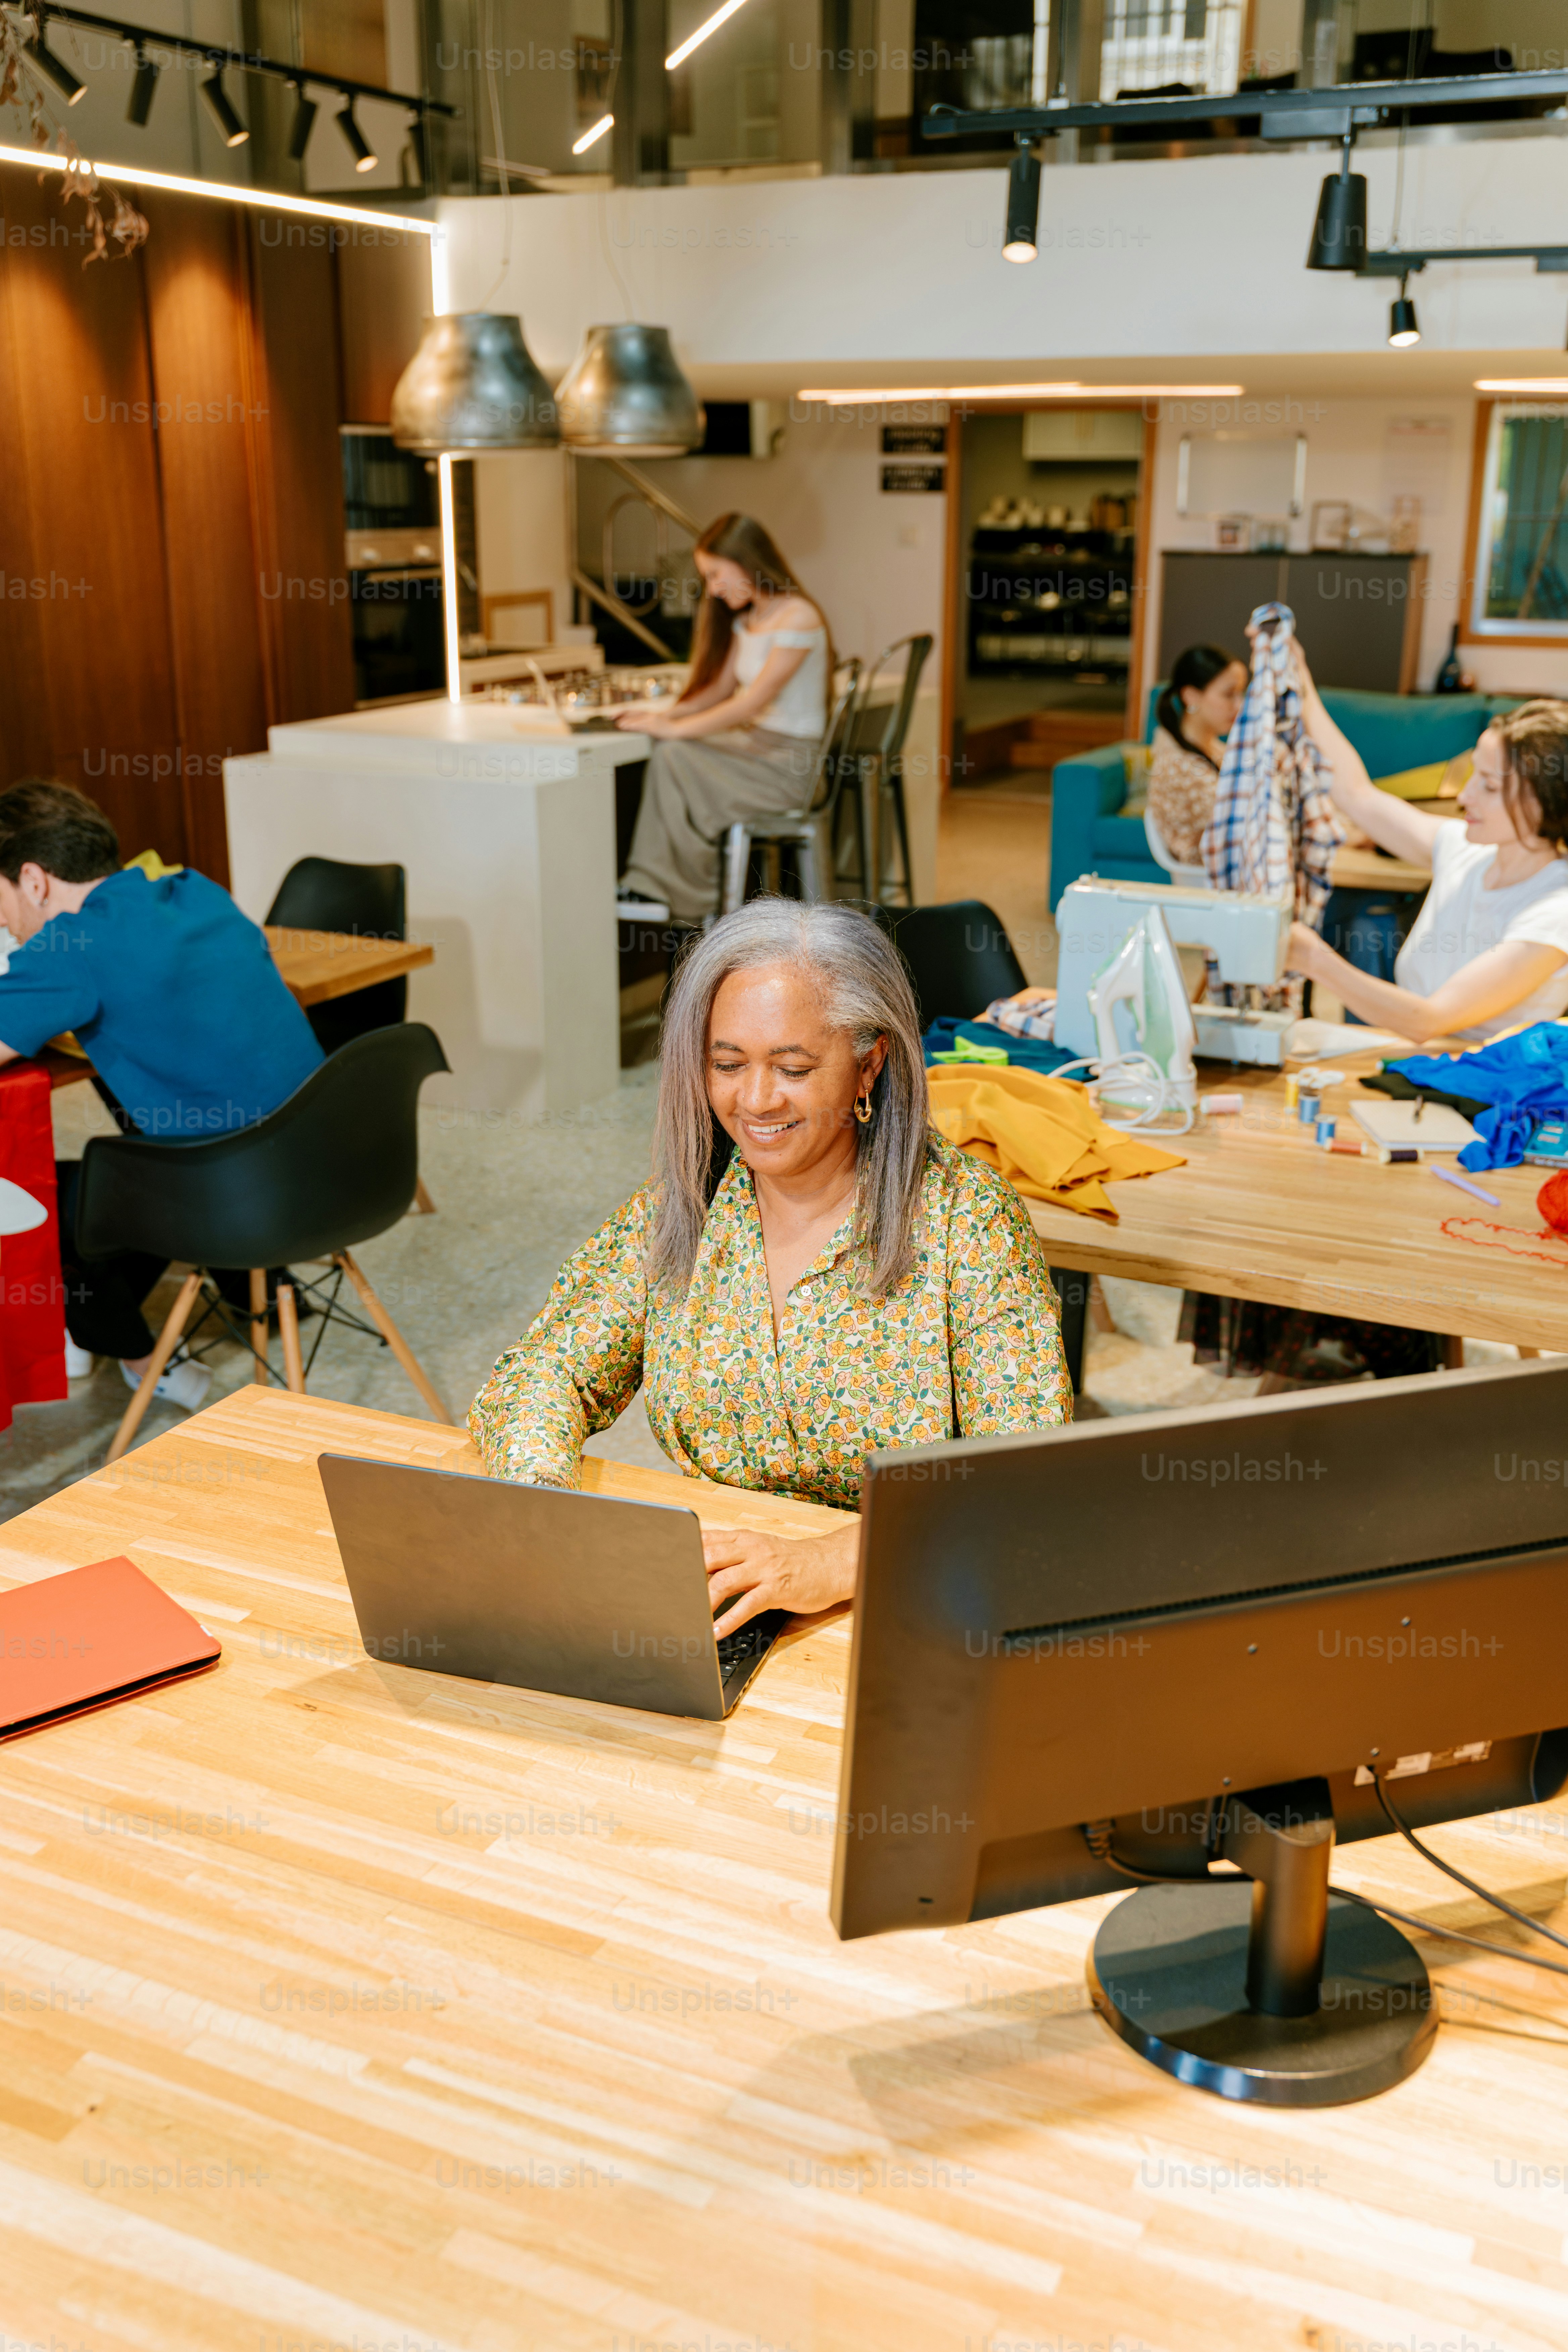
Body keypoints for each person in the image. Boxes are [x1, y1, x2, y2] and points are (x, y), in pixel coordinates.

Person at [470, 899, 1071, 1635]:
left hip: (915, 1602)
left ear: (869, 1063)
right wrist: (543, 1496)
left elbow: (1021, 1484)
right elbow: (543, 1372)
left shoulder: (967, 1223)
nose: (753, 1100)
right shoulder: (682, 1210)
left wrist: (827, 1562)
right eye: (726, 1065)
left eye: (792, 1068)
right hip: (725, 1602)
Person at [0, 779, 324, 1411]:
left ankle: (144, 1360)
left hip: (238, 1196)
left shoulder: (69, 948)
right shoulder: (197, 890)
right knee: (133, 1152)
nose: (5, 922)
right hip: (332, 1166)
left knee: (38, 1204)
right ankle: (184, 1305)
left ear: (34, 881)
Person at [1286, 681, 1568, 1041]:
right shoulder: (1466, 851)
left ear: (1543, 802)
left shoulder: (1556, 911)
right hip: (1416, 1061)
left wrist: (1313, 959)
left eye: (1489, 786)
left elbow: (1431, 1020)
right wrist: (1302, 686)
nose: (1464, 796)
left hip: (1472, 1075)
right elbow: (1356, 795)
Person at [615, 514, 833, 927]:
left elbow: (750, 703)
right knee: (671, 754)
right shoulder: (747, 621)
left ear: (745, 561)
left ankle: (679, 895)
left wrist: (672, 729)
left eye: (715, 574)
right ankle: (666, 890)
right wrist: (664, 716)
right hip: (756, 753)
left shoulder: (798, 616)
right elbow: (719, 690)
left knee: (675, 755)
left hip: (789, 769)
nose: (713, 588)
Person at [1146, 642, 1247, 865]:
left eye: (1241, 694)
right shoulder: (1177, 765)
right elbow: (1239, 824)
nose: (1239, 705)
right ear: (1191, 696)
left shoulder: (1213, 747)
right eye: (1229, 694)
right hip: (1208, 877)